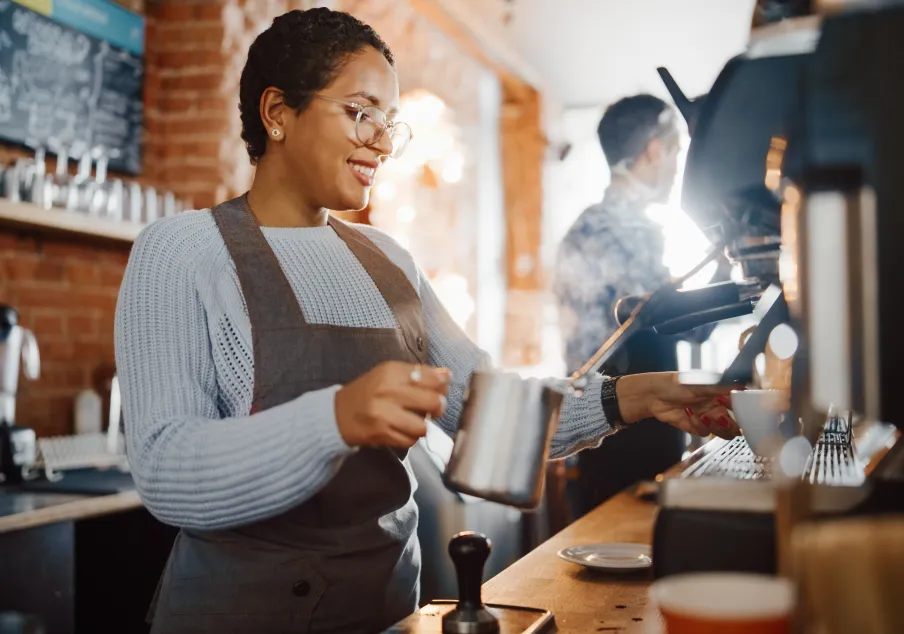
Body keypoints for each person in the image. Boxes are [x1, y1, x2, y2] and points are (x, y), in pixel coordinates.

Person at [114, 10, 740, 633]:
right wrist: (336, 417)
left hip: (386, 610)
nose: (382, 143)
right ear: (278, 112)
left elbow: (485, 410)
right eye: (361, 113)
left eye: (389, 123)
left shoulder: (389, 260)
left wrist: (632, 396)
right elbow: (167, 471)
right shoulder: (182, 251)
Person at [554, 95, 734, 517]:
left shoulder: (589, 224)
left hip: (602, 424)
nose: (675, 167)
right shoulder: (626, 229)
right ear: (655, 149)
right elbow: (685, 325)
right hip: (628, 430)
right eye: (674, 151)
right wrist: (726, 265)